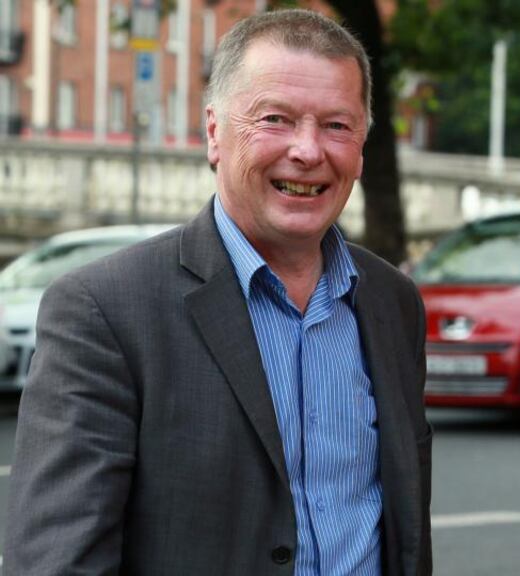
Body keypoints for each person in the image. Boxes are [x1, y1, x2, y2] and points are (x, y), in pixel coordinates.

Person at [4, 9, 432, 575]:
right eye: (275, 119)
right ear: (214, 134)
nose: (308, 151)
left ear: (361, 145)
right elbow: (59, 560)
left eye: (336, 125)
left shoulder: (393, 304)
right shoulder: (104, 311)